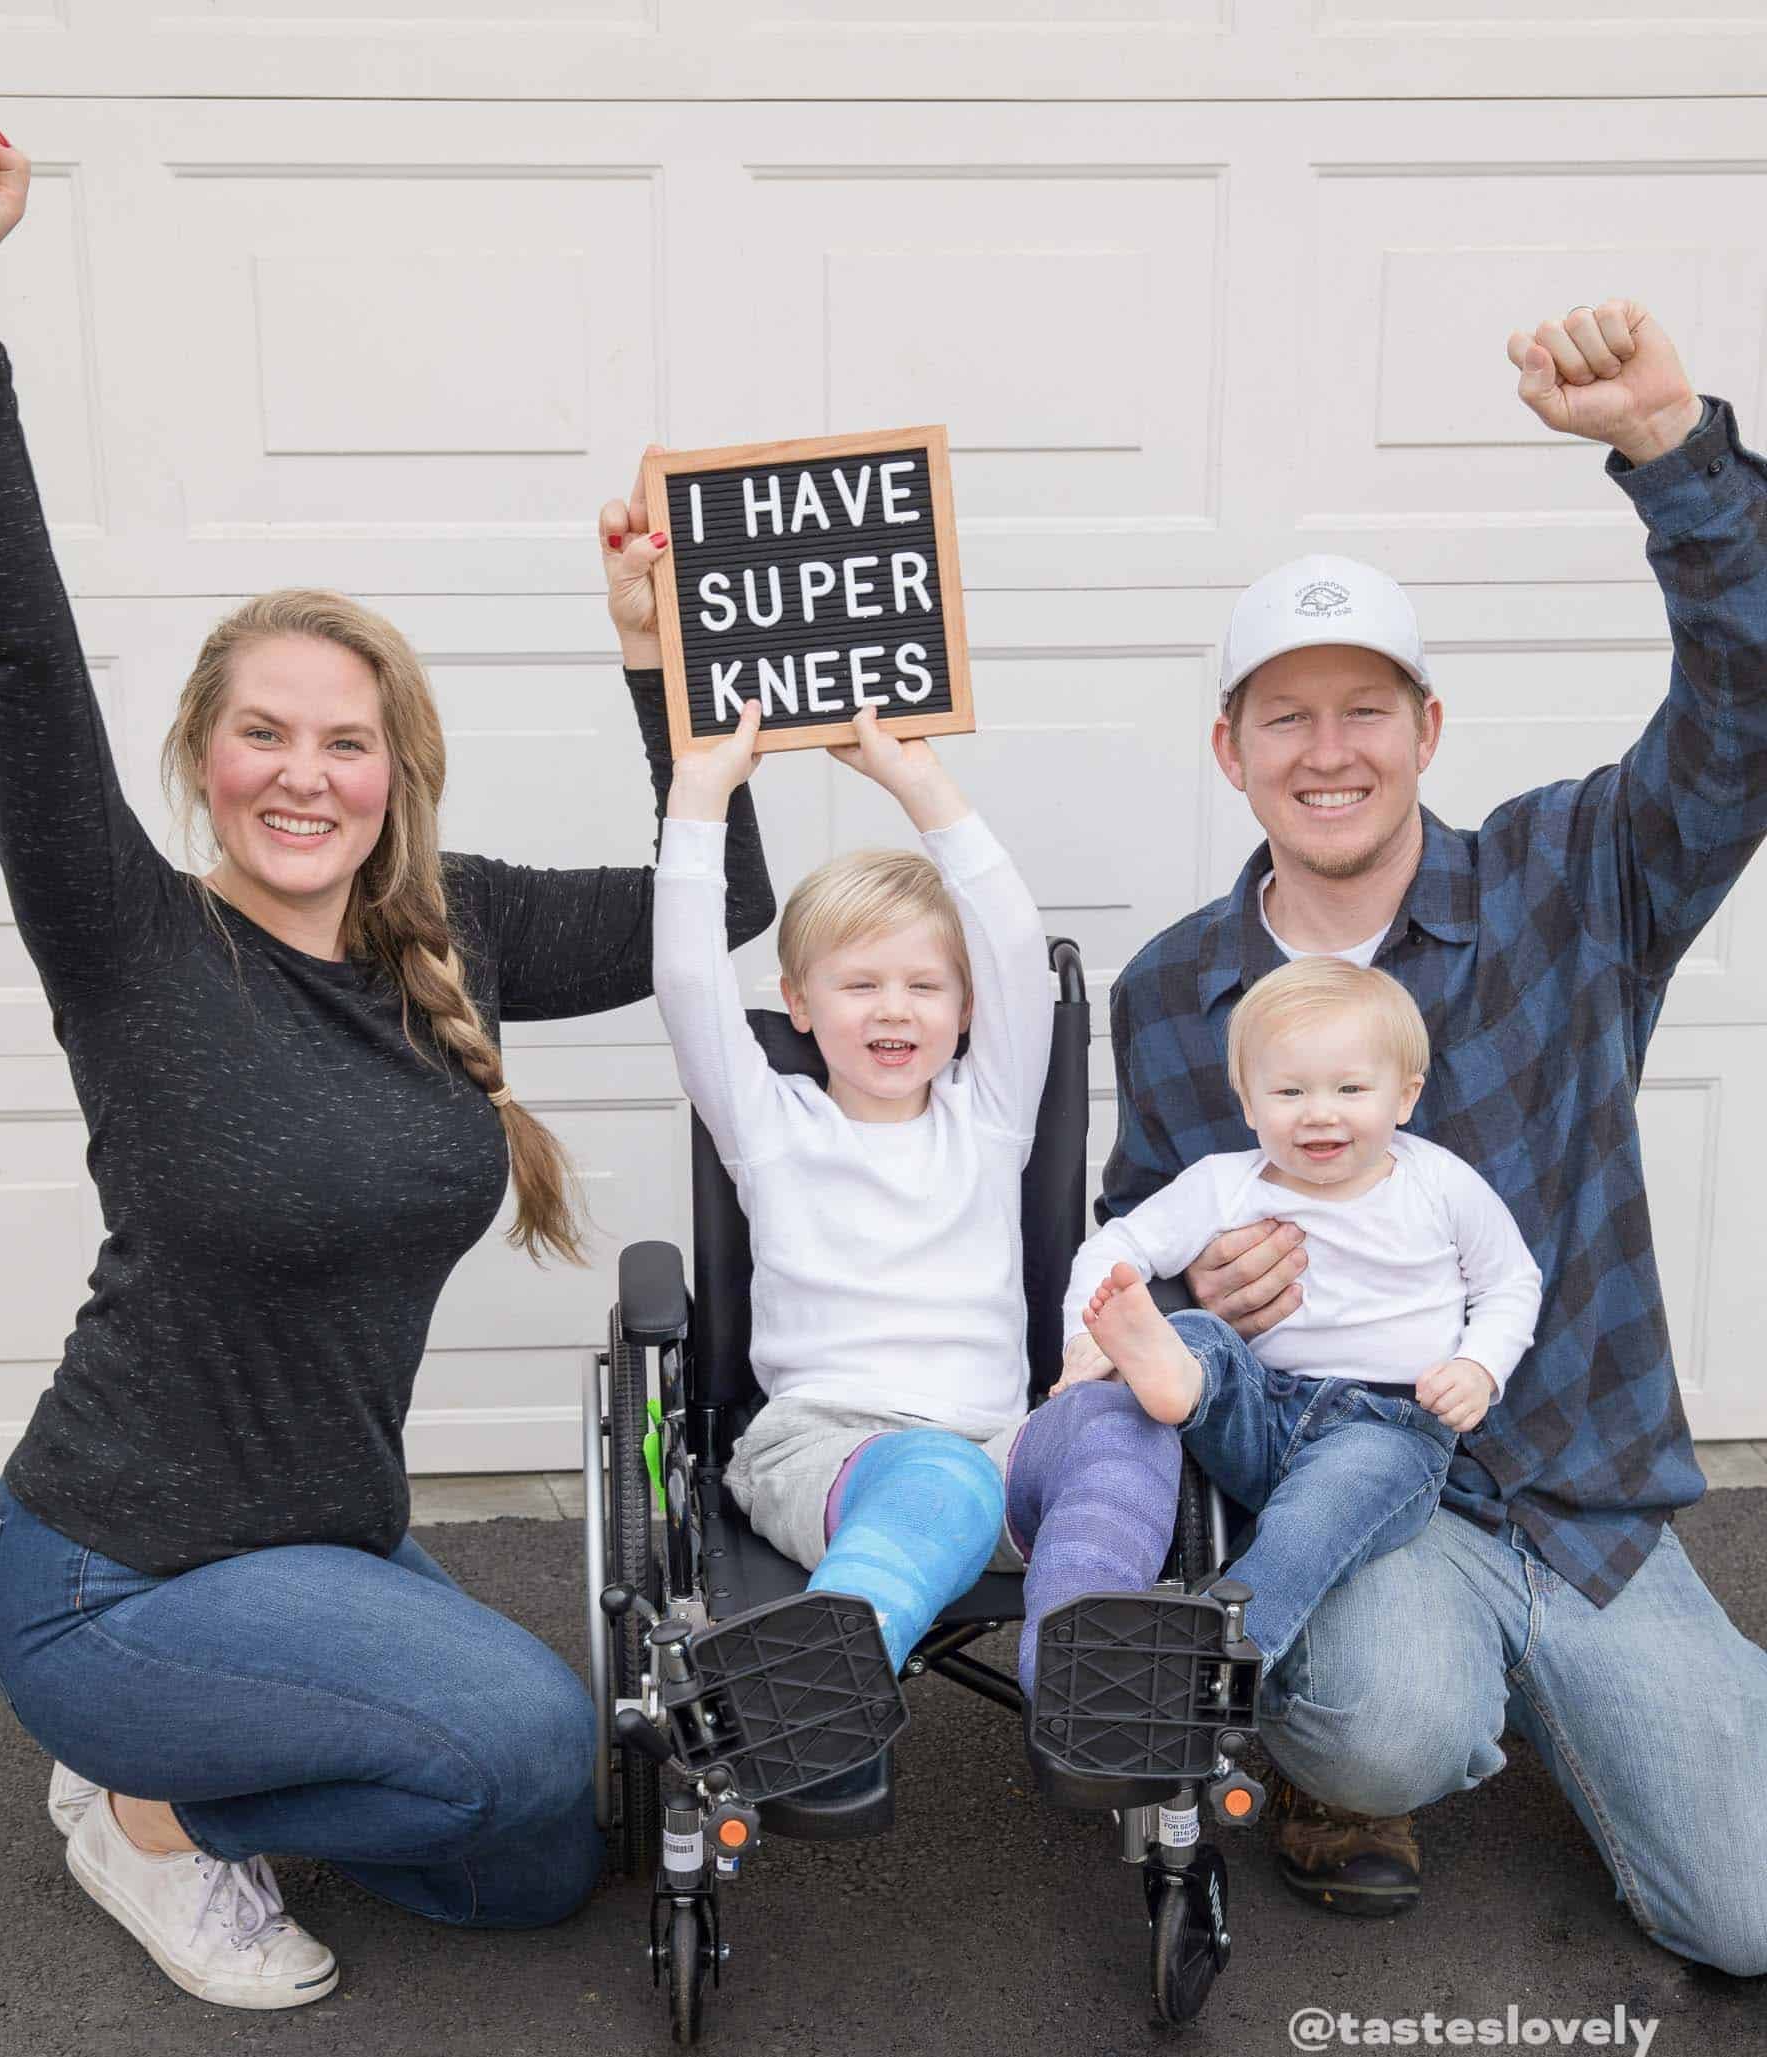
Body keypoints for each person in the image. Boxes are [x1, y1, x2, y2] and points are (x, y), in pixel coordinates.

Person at [0, 125, 773, 2009]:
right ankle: (148, 1811)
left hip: (315, 1541)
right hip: (109, 1572)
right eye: (263, 734)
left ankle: (204, 1760)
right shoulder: (134, 938)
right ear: (204, 755)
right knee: (520, 1742)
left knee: (545, 1861)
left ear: (394, 768)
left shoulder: (456, 926)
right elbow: (20, 659)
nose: (303, 775)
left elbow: (721, 897)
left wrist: (654, 664)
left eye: (345, 741)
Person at [1099, 293, 1767, 1968]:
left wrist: (1670, 450)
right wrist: (1201, 1299)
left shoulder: (1574, 881)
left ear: (1428, 730)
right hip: (1354, 1489)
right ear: (1231, 751)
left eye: (1367, 709)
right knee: (1379, 1721)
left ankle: (1591, 1693)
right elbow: (1139, 1249)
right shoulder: (1174, 989)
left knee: (1750, 1916)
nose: (1329, 752)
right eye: (1286, 716)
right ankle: (1364, 1749)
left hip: (1581, 1496)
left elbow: (1746, 711)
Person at [649, 704, 1194, 1773]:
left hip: (996, 1445)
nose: (893, 1010)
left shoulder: (987, 1119)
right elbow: (687, 982)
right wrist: (700, 798)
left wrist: (920, 784)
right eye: (859, 985)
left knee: (1125, 1427)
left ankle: (1085, 1674)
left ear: (968, 1008)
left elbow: (1013, 944)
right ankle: (808, 1695)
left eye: (923, 985)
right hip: (826, 1448)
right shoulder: (768, 1126)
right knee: (939, 1479)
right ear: (799, 1004)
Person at [1054, 956, 1541, 1676]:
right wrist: (1082, 1339)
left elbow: (1510, 1282)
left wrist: (1479, 1366)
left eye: (1351, 1088)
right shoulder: (1224, 1185)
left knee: (1311, 1525)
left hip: (1387, 1428)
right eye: (1289, 1091)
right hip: (1259, 1408)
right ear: (1249, 1103)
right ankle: (1177, 1380)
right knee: (1195, 1332)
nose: (1319, 1112)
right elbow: (1114, 1247)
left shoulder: (1437, 1183)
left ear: (1405, 1097)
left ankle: (1220, 1654)